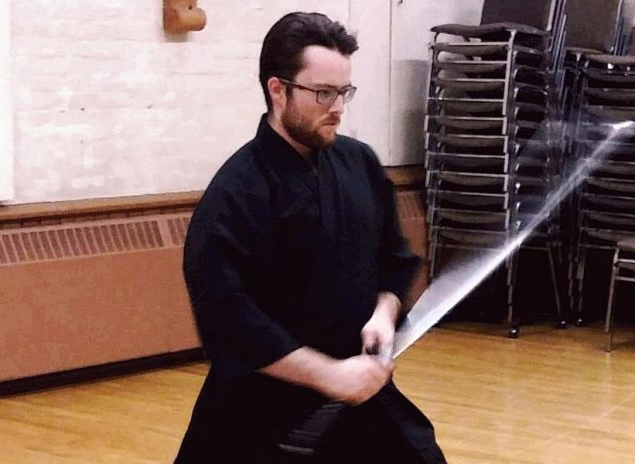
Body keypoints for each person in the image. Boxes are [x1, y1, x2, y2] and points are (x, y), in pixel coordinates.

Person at [174, 11, 447, 464]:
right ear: (277, 90)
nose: (337, 107)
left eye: (344, 92)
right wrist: (330, 376)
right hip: (262, 410)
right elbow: (229, 318)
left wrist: (383, 315)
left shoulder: (359, 163)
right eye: (322, 93)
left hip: (358, 391)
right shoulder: (238, 192)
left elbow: (393, 263)